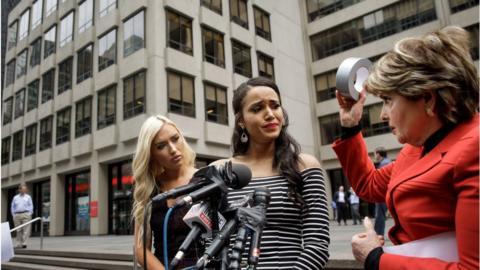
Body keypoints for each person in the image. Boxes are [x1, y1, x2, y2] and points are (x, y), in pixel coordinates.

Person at [332, 26, 479, 269]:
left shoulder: (474, 149)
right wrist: (350, 126)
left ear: (428, 99)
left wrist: (377, 259)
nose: (382, 114)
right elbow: (368, 185)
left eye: (388, 100)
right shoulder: (416, 148)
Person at [217, 77, 330, 269]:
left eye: (275, 106)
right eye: (257, 108)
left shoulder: (304, 165)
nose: (270, 114)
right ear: (241, 121)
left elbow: (317, 245)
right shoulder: (221, 170)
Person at [131, 115, 200, 270]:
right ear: (151, 154)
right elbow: (140, 248)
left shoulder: (205, 180)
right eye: (161, 146)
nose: (173, 149)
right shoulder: (149, 189)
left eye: (175, 139)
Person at [373, 147, 391, 236]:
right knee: (380, 215)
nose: (375, 156)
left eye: (375, 154)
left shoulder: (384, 164)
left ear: (378, 154)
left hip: (382, 194)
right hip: (385, 193)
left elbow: (382, 180)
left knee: (379, 215)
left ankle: (378, 235)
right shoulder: (387, 162)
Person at [10, 183, 33, 249]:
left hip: (26, 214)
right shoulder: (15, 197)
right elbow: (12, 206)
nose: (24, 191)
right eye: (22, 190)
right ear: (19, 190)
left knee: (26, 229)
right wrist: (13, 214)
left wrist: (29, 213)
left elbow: (31, 205)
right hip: (17, 214)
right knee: (18, 230)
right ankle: (19, 243)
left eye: (25, 190)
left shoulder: (28, 197)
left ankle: (24, 243)